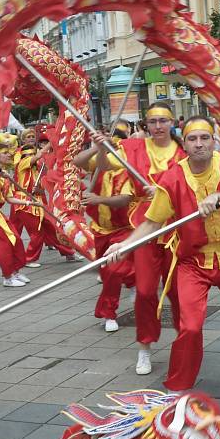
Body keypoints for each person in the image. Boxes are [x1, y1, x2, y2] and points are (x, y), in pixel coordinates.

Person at [104, 116, 220, 390]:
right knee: (191, 327)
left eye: (204, 138)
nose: (199, 144)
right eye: (192, 139)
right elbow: (151, 222)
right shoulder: (171, 178)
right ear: (184, 143)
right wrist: (124, 246)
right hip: (192, 263)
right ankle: (177, 387)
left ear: (213, 140)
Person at [87, 101, 187, 375]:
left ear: (171, 122)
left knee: (179, 291)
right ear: (145, 124)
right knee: (144, 292)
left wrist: (167, 193)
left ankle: (184, 339)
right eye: (152, 121)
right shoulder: (133, 148)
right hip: (144, 228)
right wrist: (101, 145)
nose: (157, 126)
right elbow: (98, 164)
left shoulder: (184, 151)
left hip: (176, 230)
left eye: (163, 120)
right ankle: (145, 346)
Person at [79, 123, 135, 332]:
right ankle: (132, 281)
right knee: (107, 272)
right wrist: (97, 147)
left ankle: (108, 313)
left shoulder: (128, 167)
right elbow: (77, 162)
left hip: (124, 229)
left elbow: (124, 200)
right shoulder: (100, 164)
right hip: (100, 229)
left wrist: (97, 198)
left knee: (112, 271)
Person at [10, 137, 77, 266]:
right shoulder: (22, 164)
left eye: (32, 153)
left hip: (38, 202)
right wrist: (52, 141)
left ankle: (69, 252)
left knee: (53, 228)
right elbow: (39, 155)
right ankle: (29, 259)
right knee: (37, 233)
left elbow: (44, 182)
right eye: (27, 155)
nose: (30, 156)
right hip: (25, 204)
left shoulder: (38, 168)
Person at [0, 138, 31, 287]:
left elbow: (10, 198)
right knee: (3, 244)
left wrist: (28, 202)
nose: (9, 155)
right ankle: (7, 277)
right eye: (5, 153)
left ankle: (15, 271)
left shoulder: (3, 174)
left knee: (16, 239)